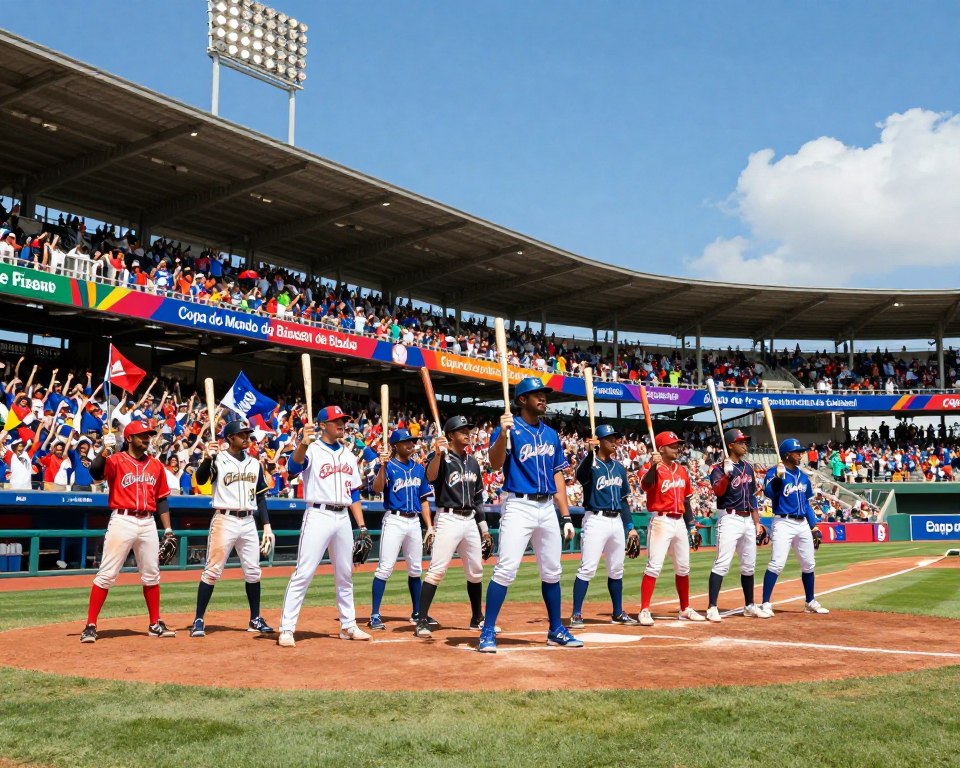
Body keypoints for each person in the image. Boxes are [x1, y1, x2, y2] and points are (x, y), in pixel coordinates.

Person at [478, 377, 581, 653]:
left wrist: (566, 515)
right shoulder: (509, 430)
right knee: (506, 569)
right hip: (519, 505)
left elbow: (557, 474)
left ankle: (555, 629)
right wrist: (502, 434)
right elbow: (494, 463)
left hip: (547, 507)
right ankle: (487, 631)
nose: (543, 398)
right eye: (537, 394)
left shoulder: (551, 434)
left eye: (544, 394)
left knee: (552, 571)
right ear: (522, 400)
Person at [276, 405, 372, 647]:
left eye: (343, 420)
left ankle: (348, 625)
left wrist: (361, 526)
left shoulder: (349, 455)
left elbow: (354, 495)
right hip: (318, 514)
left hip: (343, 519)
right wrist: (303, 443)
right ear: (322, 425)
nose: (342, 424)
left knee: (345, 574)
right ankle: (287, 628)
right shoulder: (312, 449)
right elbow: (293, 469)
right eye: (336, 421)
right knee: (304, 573)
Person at [80, 422, 175, 643]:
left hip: (148, 522)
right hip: (122, 520)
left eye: (148, 436)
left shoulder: (156, 466)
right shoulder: (115, 460)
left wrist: (168, 530)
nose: (147, 439)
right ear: (130, 438)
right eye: (142, 436)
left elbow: (161, 499)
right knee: (106, 575)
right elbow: (95, 473)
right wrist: (104, 452)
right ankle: (91, 625)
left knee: (152, 575)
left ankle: (154, 623)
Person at [189, 419, 275, 638]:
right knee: (213, 571)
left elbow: (261, 497)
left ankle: (255, 618)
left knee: (254, 571)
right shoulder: (218, 459)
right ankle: (198, 619)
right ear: (229, 438)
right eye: (242, 434)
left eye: (248, 434)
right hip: (224, 519)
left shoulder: (255, 463)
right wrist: (207, 459)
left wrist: (266, 526)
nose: (247, 437)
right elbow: (200, 480)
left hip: (248, 521)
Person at [415, 415, 496, 639]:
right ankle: (421, 619)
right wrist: (438, 455)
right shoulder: (439, 456)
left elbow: (478, 499)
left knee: (476, 570)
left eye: (468, 429)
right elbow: (430, 477)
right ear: (450, 435)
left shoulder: (472, 462)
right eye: (462, 430)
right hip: (448, 518)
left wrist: (484, 528)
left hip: (470, 519)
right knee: (437, 569)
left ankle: (476, 618)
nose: (468, 433)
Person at [569, 424, 638, 627]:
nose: (614, 442)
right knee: (588, 568)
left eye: (615, 438)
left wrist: (630, 526)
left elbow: (624, 500)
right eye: (609, 439)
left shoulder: (618, 467)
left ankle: (617, 613)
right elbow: (580, 476)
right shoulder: (590, 465)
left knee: (617, 569)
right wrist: (589, 454)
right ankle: (576, 614)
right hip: (595, 519)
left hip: (616, 521)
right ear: (598, 442)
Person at [368, 428, 435, 631]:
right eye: (406, 441)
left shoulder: (418, 468)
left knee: (416, 569)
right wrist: (382, 466)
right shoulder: (388, 466)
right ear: (395, 446)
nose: (410, 444)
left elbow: (424, 500)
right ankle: (374, 615)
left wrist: (429, 526)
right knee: (385, 568)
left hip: (414, 521)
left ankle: (417, 613)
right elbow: (377, 489)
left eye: (412, 441)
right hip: (394, 520)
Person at [637, 431, 705, 626]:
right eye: (672, 445)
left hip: (680, 522)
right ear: (661, 449)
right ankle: (644, 610)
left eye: (677, 445)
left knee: (683, 567)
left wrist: (691, 525)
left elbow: (686, 499)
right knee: (654, 566)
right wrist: (653, 466)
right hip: (661, 520)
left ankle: (684, 609)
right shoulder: (652, 469)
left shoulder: (682, 470)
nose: (677, 448)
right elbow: (645, 485)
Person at [704, 428, 770, 622]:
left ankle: (750, 605)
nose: (745, 444)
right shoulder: (717, 468)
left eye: (745, 441)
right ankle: (712, 607)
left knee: (749, 566)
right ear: (731, 445)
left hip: (747, 519)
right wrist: (726, 475)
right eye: (741, 442)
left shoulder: (748, 467)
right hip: (729, 517)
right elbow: (718, 491)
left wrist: (757, 522)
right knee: (722, 563)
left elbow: (752, 498)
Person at [759, 438, 830, 616]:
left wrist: (813, 526)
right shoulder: (774, 472)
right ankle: (765, 603)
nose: (800, 455)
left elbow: (806, 503)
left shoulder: (803, 476)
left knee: (809, 564)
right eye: (797, 452)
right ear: (786, 455)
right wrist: (778, 477)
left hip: (802, 524)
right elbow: (768, 493)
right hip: (783, 522)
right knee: (777, 563)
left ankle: (810, 601)